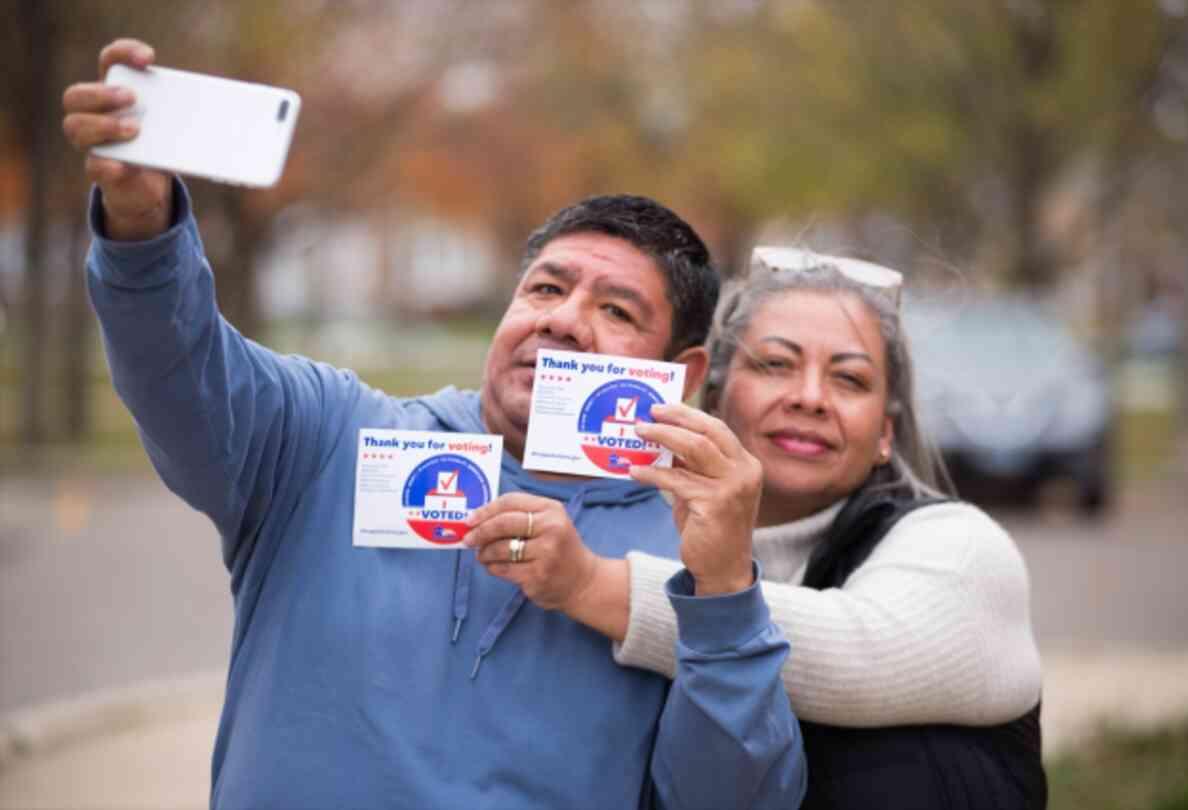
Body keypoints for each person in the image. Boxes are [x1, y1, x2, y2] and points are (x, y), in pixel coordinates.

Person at [62, 39, 806, 809]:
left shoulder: (690, 547)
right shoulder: (326, 439)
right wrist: (143, 226)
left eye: (615, 310)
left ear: (680, 374)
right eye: (545, 288)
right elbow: (177, 367)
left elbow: (736, 797)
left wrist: (719, 596)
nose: (563, 323)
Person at [491, 246, 1047, 808]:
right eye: (775, 365)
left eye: (850, 379)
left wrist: (586, 584)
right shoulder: (645, 532)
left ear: (885, 432)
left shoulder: (962, 548)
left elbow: (854, 653)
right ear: (714, 399)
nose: (809, 398)